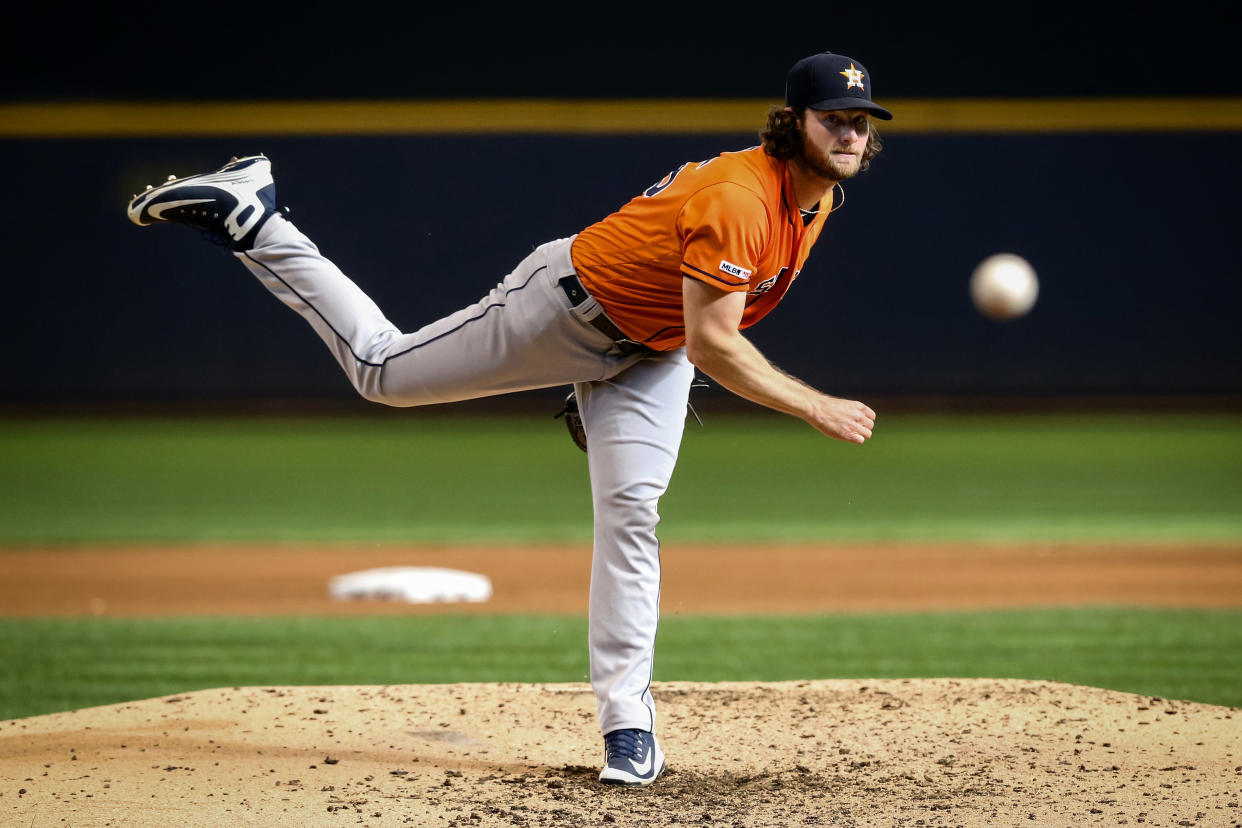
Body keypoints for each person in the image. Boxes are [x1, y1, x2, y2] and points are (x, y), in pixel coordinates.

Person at [126, 50, 890, 787]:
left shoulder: (816, 199)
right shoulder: (742, 198)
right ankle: (254, 220)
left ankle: (628, 727)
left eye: (861, 119)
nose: (851, 133)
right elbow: (715, 340)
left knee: (631, 510)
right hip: (561, 313)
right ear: (794, 123)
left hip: (649, 354)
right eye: (834, 118)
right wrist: (812, 403)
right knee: (382, 372)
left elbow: (696, 331)